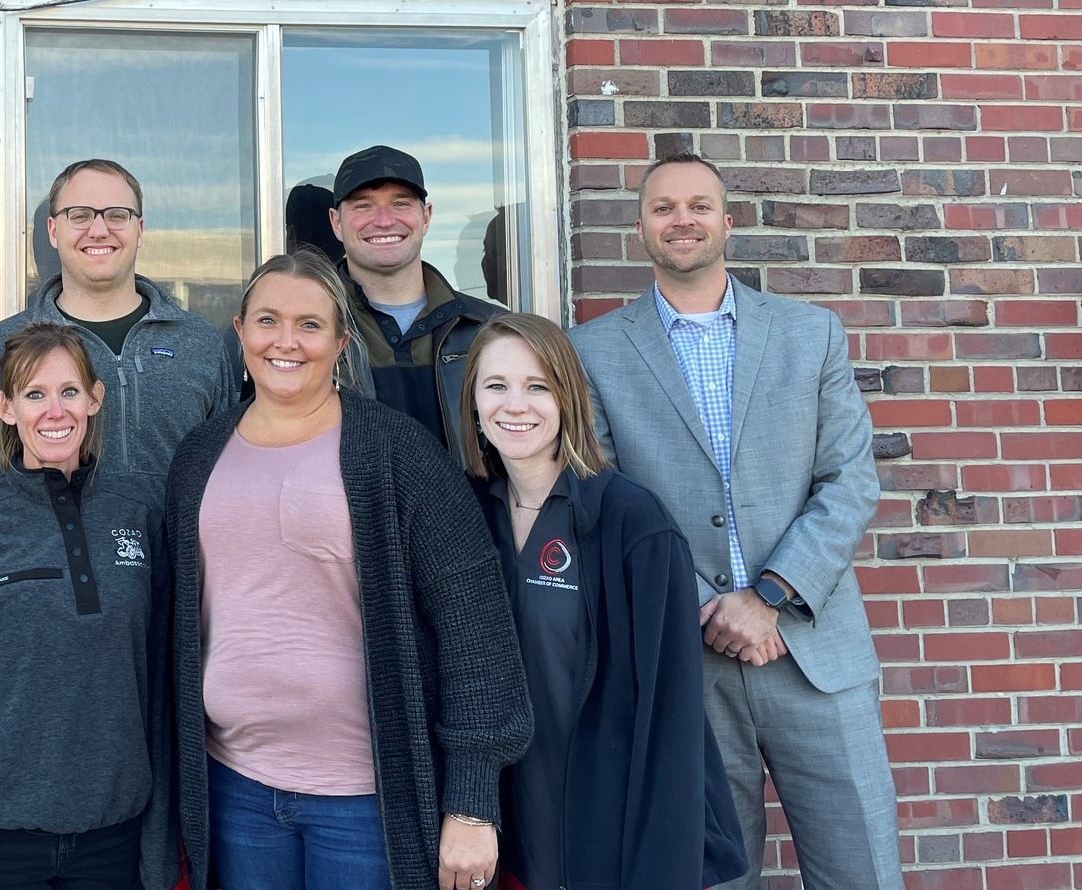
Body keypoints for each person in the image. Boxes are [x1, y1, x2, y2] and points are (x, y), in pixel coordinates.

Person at [570, 152, 899, 889]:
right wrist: (704, 605)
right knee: (709, 875)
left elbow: (848, 477)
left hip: (812, 648)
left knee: (862, 871)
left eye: (696, 205)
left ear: (727, 219)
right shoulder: (591, 351)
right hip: (685, 661)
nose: (680, 219)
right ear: (640, 228)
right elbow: (601, 497)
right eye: (661, 208)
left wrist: (770, 595)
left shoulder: (809, 332)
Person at [166, 250, 531, 890]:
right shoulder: (200, 455)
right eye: (268, 321)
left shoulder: (395, 451)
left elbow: (473, 620)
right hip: (235, 787)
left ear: (340, 341)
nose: (286, 342)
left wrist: (473, 800)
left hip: (367, 797)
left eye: (310, 325)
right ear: (241, 332)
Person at [460, 312, 745, 890]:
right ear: (472, 401)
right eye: (496, 386)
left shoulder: (631, 523)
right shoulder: (463, 515)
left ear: (569, 396)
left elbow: (671, 716)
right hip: (503, 830)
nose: (515, 405)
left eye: (537, 386)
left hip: (608, 832)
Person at [0, 323, 176, 890]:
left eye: (68, 391)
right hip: (4, 839)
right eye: (33, 395)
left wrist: (158, 850)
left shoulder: (140, 512)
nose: (53, 411)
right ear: (5, 408)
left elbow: (158, 687)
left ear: (95, 398)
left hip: (117, 836)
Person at [0, 158, 234, 492]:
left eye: (117, 215)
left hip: (179, 545)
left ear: (139, 230)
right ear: (54, 231)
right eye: (80, 216)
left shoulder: (201, 343)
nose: (99, 230)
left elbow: (229, 479)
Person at [325, 145, 507, 465]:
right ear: (336, 222)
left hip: (469, 515)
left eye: (400, 203)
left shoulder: (490, 329)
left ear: (425, 217)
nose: (383, 221)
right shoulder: (304, 332)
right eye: (363, 205)